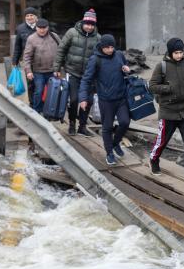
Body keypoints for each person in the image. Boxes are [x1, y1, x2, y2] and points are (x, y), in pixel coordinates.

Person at [148, 38, 184, 178]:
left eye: (181, 52)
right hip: (168, 112)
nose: (179, 55)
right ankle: (154, 160)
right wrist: (168, 88)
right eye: (176, 52)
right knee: (162, 141)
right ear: (170, 52)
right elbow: (152, 86)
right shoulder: (162, 66)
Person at [79, 34, 131, 166]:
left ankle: (115, 143)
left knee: (125, 122)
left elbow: (125, 68)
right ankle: (109, 153)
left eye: (112, 47)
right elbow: (86, 79)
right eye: (107, 47)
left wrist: (127, 70)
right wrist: (83, 98)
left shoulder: (119, 55)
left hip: (121, 97)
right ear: (102, 47)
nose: (110, 50)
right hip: (106, 100)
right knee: (107, 127)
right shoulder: (95, 59)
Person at [53, 9, 101, 136]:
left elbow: (100, 57)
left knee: (88, 100)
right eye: (87, 24)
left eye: (92, 25)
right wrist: (57, 68)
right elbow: (61, 50)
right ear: (83, 23)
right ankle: (72, 124)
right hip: (72, 72)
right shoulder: (72, 33)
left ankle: (82, 126)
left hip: (88, 75)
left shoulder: (98, 38)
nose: (89, 27)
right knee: (73, 100)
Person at [23, 19, 60, 114]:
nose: (42, 30)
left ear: (48, 28)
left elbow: (61, 52)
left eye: (44, 28)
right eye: (40, 28)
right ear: (36, 28)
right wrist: (28, 71)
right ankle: (36, 111)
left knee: (53, 92)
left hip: (53, 70)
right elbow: (26, 57)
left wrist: (59, 68)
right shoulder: (31, 38)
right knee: (38, 91)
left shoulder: (54, 36)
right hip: (38, 71)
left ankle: (50, 111)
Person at [12, 7, 39, 106]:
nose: (29, 17)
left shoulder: (41, 26)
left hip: (41, 60)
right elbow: (18, 46)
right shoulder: (20, 28)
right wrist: (15, 60)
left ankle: (42, 103)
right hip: (28, 61)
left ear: (36, 17)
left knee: (40, 83)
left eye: (31, 15)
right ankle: (32, 104)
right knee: (31, 83)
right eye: (27, 15)